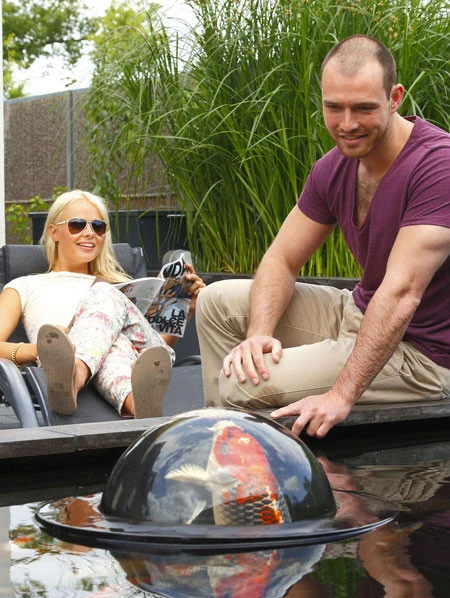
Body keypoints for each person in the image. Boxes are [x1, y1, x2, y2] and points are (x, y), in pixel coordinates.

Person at [196, 34, 450, 438]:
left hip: (423, 355)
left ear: (395, 98)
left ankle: (255, 453)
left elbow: (402, 293)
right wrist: (259, 334)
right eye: (334, 107)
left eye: (363, 108)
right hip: (359, 311)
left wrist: (340, 395)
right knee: (215, 302)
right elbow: (282, 259)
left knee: (242, 385)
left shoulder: (437, 166)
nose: (347, 124)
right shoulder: (332, 168)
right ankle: (219, 440)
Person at [0, 189, 205, 418]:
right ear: (54, 231)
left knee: (104, 294)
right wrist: (38, 349)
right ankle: (139, 406)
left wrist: (184, 308)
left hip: (130, 354)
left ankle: (75, 376)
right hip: (85, 359)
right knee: (113, 346)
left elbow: (155, 352)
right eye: (77, 225)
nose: (89, 233)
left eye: (98, 227)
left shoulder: (119, 287)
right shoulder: (25, 286)